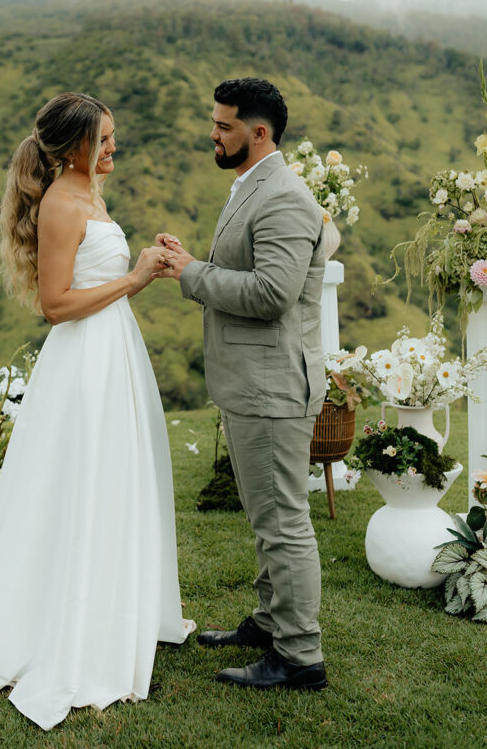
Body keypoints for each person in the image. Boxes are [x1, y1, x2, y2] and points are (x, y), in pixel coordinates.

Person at [0, 91, 194, 729]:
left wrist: (146, 265)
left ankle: (114, 604)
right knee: (83, 485)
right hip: (83, 361)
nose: (113, 148)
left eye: (112, 137)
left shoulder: (92, 195)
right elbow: (55, 304)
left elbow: (93, 276)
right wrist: (134, 279)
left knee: (117, 482)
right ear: (74, 146)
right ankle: (71, 627)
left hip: (115, 351)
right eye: (103, 139)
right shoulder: (59, 203)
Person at [156, 76, 327, 691]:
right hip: (253, 380)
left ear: (259, 133)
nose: (214, 133)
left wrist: (190, 272)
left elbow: (271, 294)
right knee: (266, 515)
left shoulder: (284, 196)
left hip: (272, 384)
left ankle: (299, 655)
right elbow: (247, 265)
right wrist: (195, 261)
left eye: (224, 125)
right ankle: (270, 621)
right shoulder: (253, 184)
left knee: (283, 519)